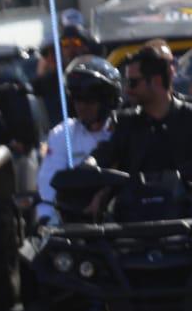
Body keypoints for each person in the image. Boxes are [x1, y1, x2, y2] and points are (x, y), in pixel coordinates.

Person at [35, 57, 120, 224]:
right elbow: (48, 184)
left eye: (89, 99)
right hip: (75, 225)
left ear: (107, 100)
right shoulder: (62, 134)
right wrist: (47, 223)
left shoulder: (124, 131)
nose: (82, 106)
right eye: (77, 99)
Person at [89, 46, 192, 177]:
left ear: (157, 81)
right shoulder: (125, 122)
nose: (127, 90)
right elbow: (105, 154)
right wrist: (89, 163)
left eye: (133, 82)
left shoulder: (188, 117)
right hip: (134, 196)